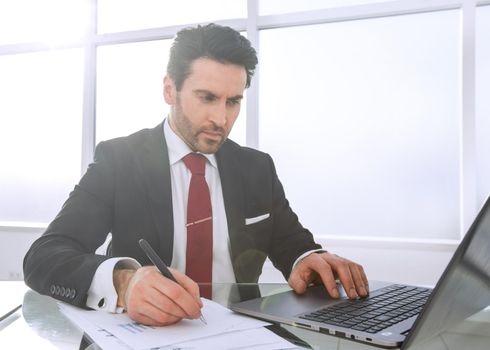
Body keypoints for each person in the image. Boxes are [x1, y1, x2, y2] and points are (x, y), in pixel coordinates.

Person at [23, 23, 368, 327]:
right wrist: (124, 284)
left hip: (243, 335)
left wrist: (309, 259)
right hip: (147, 335)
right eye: (207, 98)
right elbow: (44, 257)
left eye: (233, 101)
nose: (222, 119)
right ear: (169, 90)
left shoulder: (256, 168)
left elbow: (292, 244)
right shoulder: (119, 160)